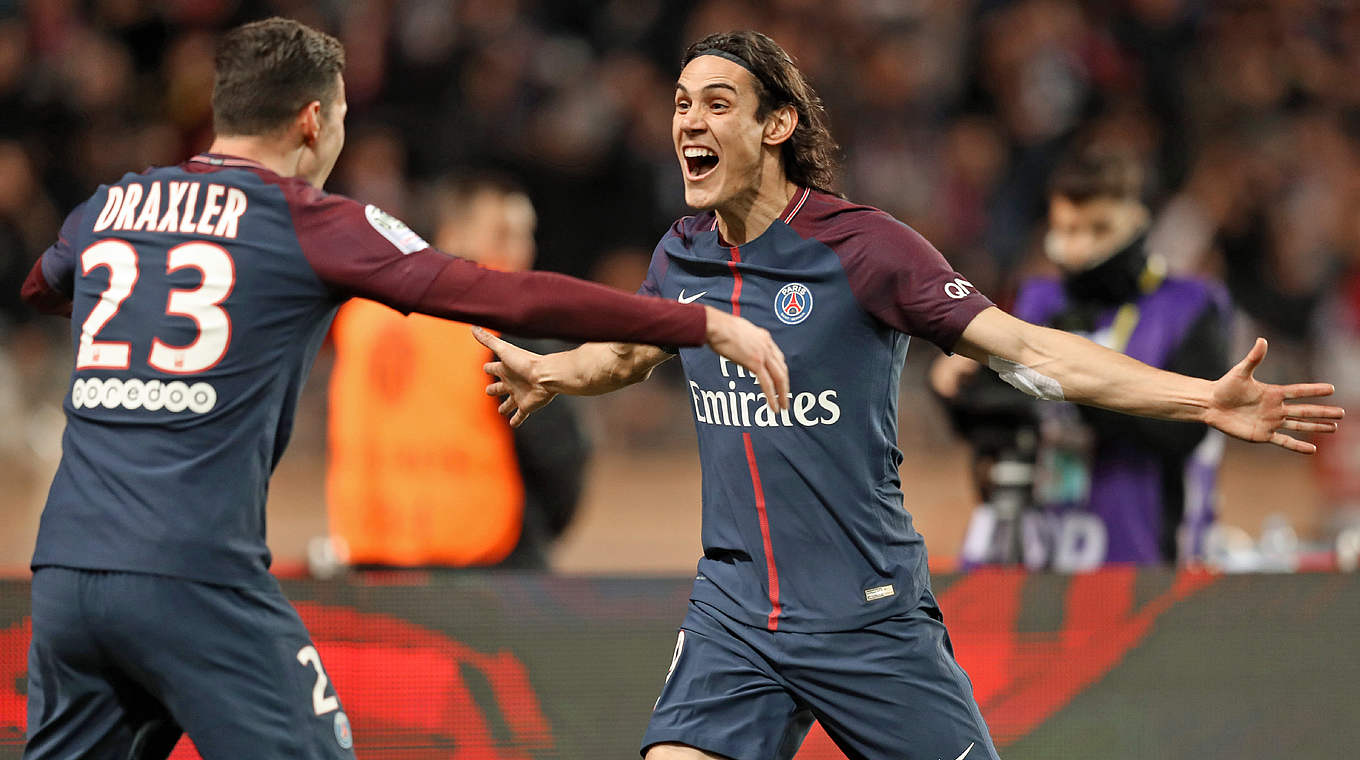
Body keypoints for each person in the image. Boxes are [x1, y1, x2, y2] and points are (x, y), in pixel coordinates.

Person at [476, 31, 1343, 760]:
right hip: (735, 619)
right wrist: (553, 373)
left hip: (870, 620)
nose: (688, 122)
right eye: (679, 103)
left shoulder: (868, 250)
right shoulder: (680, 254)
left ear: (777, 124)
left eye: (716, 103)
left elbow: (1028, 349)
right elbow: (631, 353)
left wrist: (1202, 400)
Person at [16, 18, 788, 760]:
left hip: (64, 576)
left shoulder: (109, 208)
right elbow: (503, 295)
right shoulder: (307, 221)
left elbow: (42, 285)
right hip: (196, 580)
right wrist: (692, 324)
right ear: (314, 121)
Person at [932, 149, 1231, 567]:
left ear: (1138, 221)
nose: (1082, 248)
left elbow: (1183, 432)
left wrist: (1056, 395)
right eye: (1068, 229)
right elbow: (980, 405)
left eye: (1100, 228)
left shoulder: (1190, 305)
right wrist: (952, 391)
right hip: (1038, 544)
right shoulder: (1035, 301)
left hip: (1141, 554)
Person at [326, 176, 590, 569]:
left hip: (369, 552)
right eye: (503, 234)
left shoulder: (361, 313)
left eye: (526, 235)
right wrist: (541, 530)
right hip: (484, 555)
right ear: (452, 234)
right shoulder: (501, 319)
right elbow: (555, 449)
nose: (522, 251)